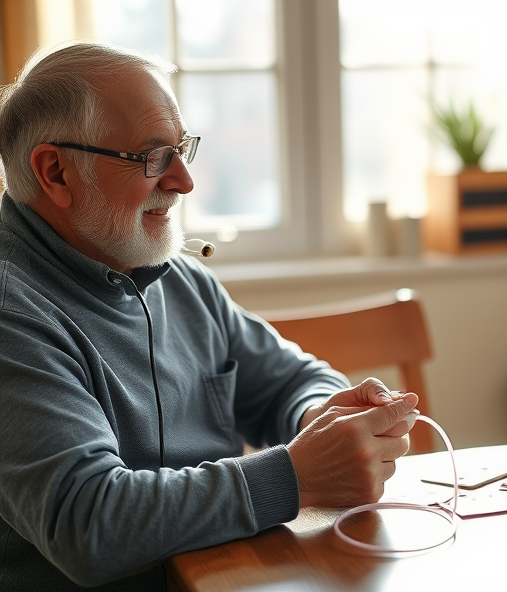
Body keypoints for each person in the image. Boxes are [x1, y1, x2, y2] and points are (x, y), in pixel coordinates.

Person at [0, 42, 419, 590]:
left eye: (182, 150)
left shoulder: (176, 277)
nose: (183, 181)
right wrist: (295, 475)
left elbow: (291, 380)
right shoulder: (14, 314)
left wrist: (319, 417)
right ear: (56, 172)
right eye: (152, 157)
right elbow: (90, 523)